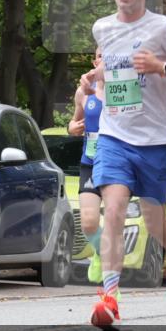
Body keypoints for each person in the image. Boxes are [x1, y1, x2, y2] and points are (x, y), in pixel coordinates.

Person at [79, 0, 166, 328]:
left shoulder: (163, 27)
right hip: (114, 138)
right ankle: (110, 297)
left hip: (153, 142)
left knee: (154, 224)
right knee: (113, 210)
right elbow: (113, 69)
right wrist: (95, 78)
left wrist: (161, 67)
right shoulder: (102, 28)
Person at [67, 49, 105, 285]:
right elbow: (74, 120)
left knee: (113, 220)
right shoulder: (83, 91)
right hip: (89, 163)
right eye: (101, 54)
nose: (105, 58)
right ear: (94, 61)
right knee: (89, 223)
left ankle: (111, 285)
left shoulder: (126, 91)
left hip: (117, 163)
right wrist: (72, 127)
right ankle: (101, 252)